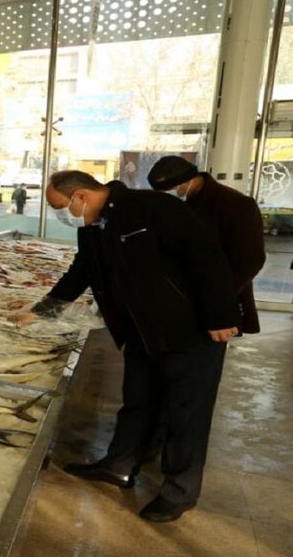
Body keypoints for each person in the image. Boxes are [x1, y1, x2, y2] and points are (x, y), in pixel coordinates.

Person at [31, 170, 239, 523]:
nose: (59, 214)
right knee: (138, 401)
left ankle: (180, 492)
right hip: (142, 331)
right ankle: (120, 465)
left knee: (186, 414)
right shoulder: (93, 226)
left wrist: (219, 315)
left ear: (81, 195)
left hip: (189, 330)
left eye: (59, 206)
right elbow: (82, 271)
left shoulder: (152, 207)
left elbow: (206, 257)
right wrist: (42, 311)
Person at [147, 156, 266, 334]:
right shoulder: (181, 205)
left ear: (186, 180)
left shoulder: (236, 204)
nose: (167, 193)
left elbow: (250, 260)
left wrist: (218, 297)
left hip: (217, 299)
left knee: (203, 356)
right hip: (183, 299)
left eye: (169, 188)